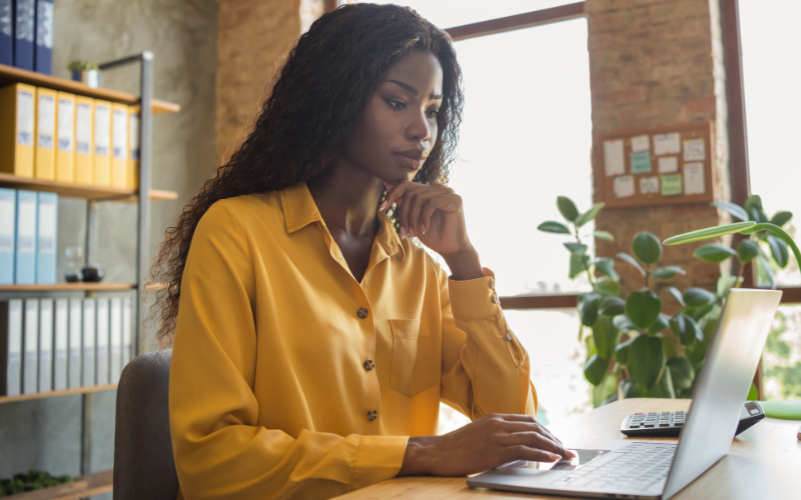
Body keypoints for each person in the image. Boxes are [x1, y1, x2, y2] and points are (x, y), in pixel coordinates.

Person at [154, 3, 575, 499]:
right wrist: (422, 453)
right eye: (398, 102)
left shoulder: (421, 267)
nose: (422, 129)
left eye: (434, 111)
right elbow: (212, 459)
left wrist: (463, 263)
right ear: (335, 97)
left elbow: (513, 420)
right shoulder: (236, 232)